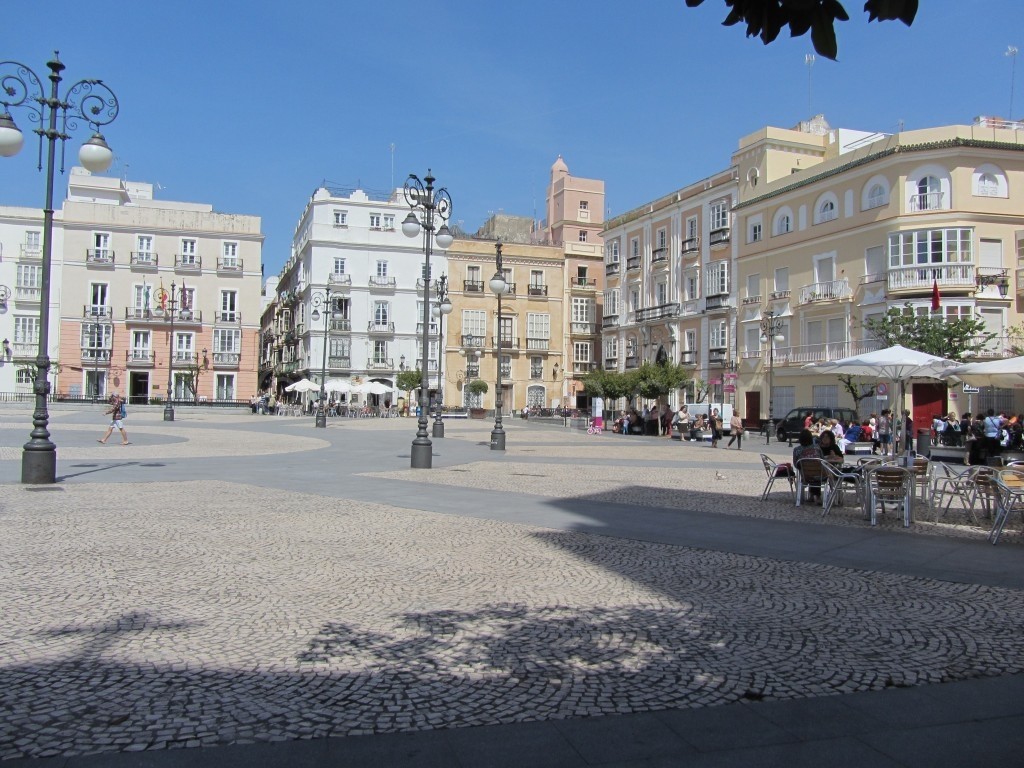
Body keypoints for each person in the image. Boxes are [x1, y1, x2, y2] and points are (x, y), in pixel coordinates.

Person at [793, 429, 824, 500]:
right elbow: (822, 460)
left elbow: (796, 464)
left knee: (811, 474)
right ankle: (817, 496)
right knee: (816, 473)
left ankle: (812, 496)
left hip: (805, 476)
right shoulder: (817, 448)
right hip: (819, 475)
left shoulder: (797, 450)